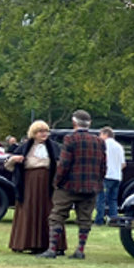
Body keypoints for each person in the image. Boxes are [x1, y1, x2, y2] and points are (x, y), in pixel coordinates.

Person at [36, 109, 106, 260]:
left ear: (74, 123)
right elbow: (103, 166)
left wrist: (57, 182)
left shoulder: (70, 139)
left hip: (69, 185)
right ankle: (80, 250)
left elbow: (64, 164)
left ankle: (52, 249)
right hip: (91, 187)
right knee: (85, 219)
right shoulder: (99, 142)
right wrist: (98, 182)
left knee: (57, 216)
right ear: (90, 124)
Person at [5, 121, 65, 254]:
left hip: (48, 183)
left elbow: (61, 164)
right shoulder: (25, 147)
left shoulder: (54, 147)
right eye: (40, 131)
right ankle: (28, 243)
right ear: (34, 133)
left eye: (46, 131)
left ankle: (53, 245)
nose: (44, 134)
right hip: (29, 184)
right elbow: (8, 166)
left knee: (50, 211)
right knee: (29, 210)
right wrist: (14, 159)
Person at [94, 127, 126, 226]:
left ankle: (99, 220)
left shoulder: (102, 145)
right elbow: (123, 164)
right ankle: (114, 219)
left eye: (100, 135)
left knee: (101, 199)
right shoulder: (119, 146)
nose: (99, 137)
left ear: (105, 134)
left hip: (106, 176)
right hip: (117, 177)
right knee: (113, 200)